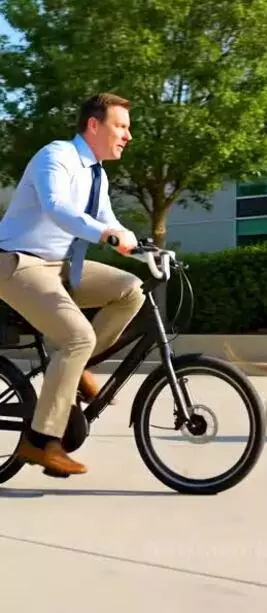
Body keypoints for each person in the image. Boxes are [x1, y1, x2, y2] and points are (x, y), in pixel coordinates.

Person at [0, 92, 145, 477]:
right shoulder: (57, 156)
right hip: (18, 263)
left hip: (61, 266)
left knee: (130, 289)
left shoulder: (98, 174)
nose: (128, 136)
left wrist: (147, 252)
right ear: (94, 125)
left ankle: (76, 368)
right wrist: (107, 235)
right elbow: (57, 208)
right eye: (121, 126)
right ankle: (39, 441)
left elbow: (110, 222)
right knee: (78, 337)